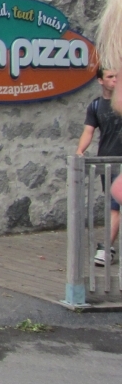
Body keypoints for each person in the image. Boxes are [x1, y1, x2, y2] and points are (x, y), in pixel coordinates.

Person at [77, 67, 122, 265]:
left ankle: (106, 247)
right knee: (113, 208)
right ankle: (107, 249)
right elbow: (89, 131)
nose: (114, 80)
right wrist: (80, 151)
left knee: (115, 208)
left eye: (117, 77)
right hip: (109, 164)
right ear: (100, 81)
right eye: (110, 77)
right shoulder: (95, 106)